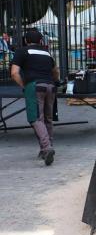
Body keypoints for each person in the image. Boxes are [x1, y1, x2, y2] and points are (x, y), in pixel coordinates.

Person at [10, 29, 60, 165]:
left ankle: (47, 147)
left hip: (35, 86)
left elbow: (14, 73)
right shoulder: (47, 53)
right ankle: (47, 148)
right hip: (51, 87)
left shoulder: (22, 51)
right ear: (40, 41)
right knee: (48, 119)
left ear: (26, 40)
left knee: (36, 118)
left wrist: (24, 86)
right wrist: (55, 82)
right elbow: (56, 71)